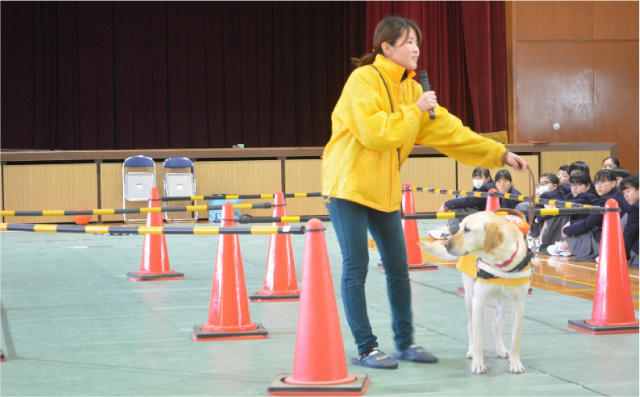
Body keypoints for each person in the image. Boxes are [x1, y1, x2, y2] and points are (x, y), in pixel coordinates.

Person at [321, 16, 528, 370]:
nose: (416, 48)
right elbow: (375, 133)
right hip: (348, 187)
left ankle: (404, 343)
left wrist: (499, 154)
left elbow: (450, 133)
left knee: (399, 267)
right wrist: (413, 111)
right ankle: (367, 347)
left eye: (417, 41)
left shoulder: (413, 89)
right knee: (357, 266)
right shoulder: (363, 81)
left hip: (383, 191)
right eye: (407, 42)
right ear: (386, 47)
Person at [548, 169, 631, 259]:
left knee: (581, 231)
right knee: (579, 227)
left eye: (602, 182)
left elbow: (587, 224)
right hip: (622, 239)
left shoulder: (606, 200)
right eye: (597, 182)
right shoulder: (618, 195)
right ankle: (564, 247)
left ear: (613, 183)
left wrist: (566, 230)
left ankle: (563, 247)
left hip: (615, 243)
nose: (598, 186)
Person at [429, 168, 494, 239]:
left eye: (480, 177)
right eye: (475, 177)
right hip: (482, 213)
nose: (477, 180)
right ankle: (449, 228)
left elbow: (471, 200)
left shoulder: (487, 188)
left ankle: (452, 232)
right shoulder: (482, 186)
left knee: (458, 205)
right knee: (460, 200)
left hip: (486, 216)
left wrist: (447, 204)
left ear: (488, 178)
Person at [529, 173, 566, 251]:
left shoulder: (549, 195)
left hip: (556, 219)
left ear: (555, 186)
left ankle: (540, 241)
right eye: (540, 183)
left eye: (545, 183)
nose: (542, 186)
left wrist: (539, 218)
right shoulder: (556, 193)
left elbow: (549, 212)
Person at [620, 174, 639, 268]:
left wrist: (621, 258)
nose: (625, 196)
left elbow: (629, 236)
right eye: (624, 193)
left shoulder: (636, 208)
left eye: (628, 191)